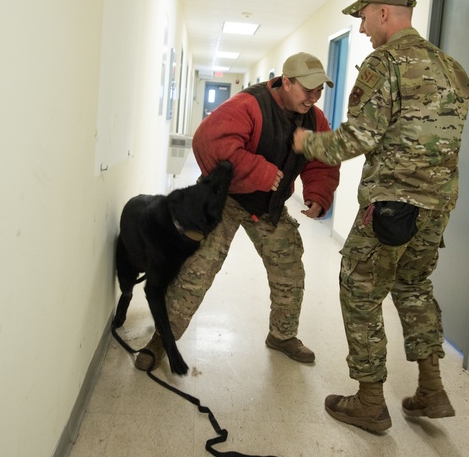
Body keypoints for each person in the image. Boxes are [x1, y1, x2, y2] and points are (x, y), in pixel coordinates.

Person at [292, 0, 469, 433]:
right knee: (413, 285)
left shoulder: (384, 64)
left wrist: (307, 141)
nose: (362, 28)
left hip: (392, 204)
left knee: (360, 290)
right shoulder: (453, 68)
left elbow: (359, 137)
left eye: (365, 17)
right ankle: (431, 389)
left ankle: (370, 400)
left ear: (385, 13)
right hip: (438, 204)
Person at [136, 52, 341, 371]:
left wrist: (318, 195)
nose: (314, 97)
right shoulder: (250, 104)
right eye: (307, 90)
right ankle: (162, 339)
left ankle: (282, 336)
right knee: (198, 270)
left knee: (289, 269)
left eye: (319, 91)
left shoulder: (314, 118)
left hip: (269, 206)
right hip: (225, 200)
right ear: (286, 82)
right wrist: (260, 172)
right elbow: (210, 142)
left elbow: (322, 158)